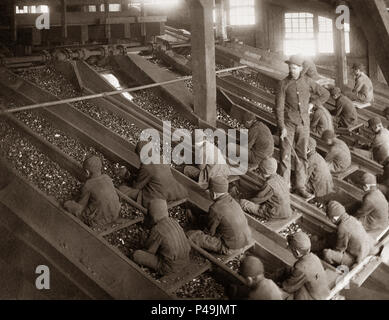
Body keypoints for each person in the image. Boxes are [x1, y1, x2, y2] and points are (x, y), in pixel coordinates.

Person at [275, 54, 330, 199]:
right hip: (288, 124)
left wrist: (313, 104)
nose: (292, 70)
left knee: (302, 156)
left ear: (300, 68)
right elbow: (279, 108)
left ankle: (300, 186)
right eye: (290, 68)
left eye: (294, 68)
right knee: (285, 155)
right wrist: (282, 127)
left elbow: (325, 94)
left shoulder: (308, 82)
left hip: (304, 124)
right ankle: (284, 186)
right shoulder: (283, 84)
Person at [187, 176, 252, 255]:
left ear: (214, 194)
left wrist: (196, 222)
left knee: (193, 236)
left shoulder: (215, 208)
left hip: (230, 248)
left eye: (209, 191)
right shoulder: (233, 201)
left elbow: (210, 232)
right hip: (246, 240)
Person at [119, 141, 188, 208]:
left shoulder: (146, 166)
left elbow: (137, 186)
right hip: (173, 191)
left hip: (157, 197)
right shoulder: (160, 158)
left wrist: (128, 178)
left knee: (122, 189)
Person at [133, 199, 191, 275]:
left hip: (169, 267)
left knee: (137, 255)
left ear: (153, 215)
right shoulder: (173, 221)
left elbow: (149, 251)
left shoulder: (158, 229)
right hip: (185, 260)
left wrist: (143, 239)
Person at [64, 155, 120, 227]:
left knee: (68, 204)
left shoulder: (88, 184)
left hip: (98, 220)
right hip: (115, 213)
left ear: (87, 172)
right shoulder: (107, 177)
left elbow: (81, 205)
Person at [323, 201, 376, 268]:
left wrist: (327, 245)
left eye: (329, 218)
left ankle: (333, 267)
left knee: (327, 253)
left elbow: (339, 249)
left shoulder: (343, 228)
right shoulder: (352, 219)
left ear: (334, 218)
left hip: (357, 260)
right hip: (366, 250)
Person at [282, 231, 330, 300]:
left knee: (288, 296)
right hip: (323, 293)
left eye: (291, 249)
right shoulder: (314, 257)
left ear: (297, 253)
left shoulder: (300, 268)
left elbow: (288, 288)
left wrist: (277, 284)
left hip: (316, 298)